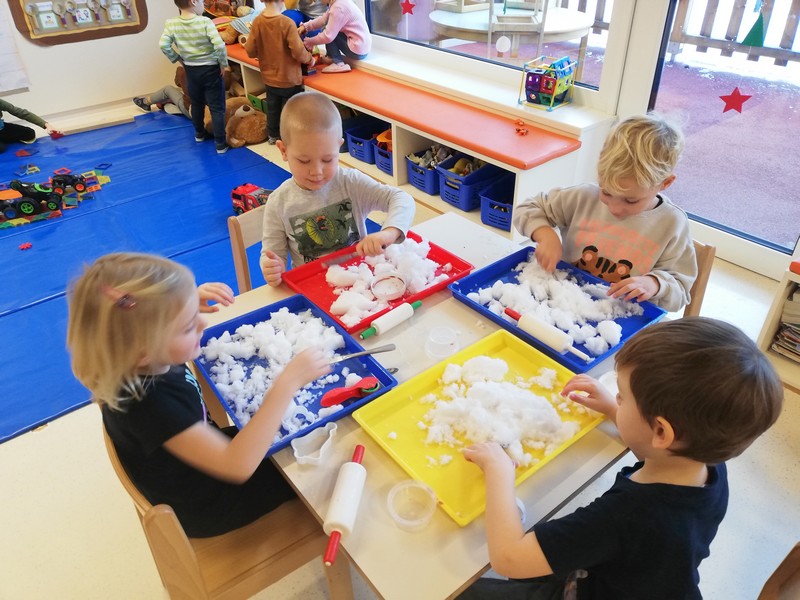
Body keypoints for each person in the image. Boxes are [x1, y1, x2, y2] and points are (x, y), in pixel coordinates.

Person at [459, 317, 783, 600]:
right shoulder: (706, 464)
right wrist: (616, 411)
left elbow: (509, 560)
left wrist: (500, 472)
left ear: (661, 431)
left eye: (623, 396)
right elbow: (654, 448)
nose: (616, 396)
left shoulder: (627, 515)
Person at [67, 252, 331, 537]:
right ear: (143, 351)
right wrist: (287, 384)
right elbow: (237, 465)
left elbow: (152, 325)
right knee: (322, 464)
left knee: (294, 436)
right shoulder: (151, 405)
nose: (202, 325)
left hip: (202, 461)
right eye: (188, 326)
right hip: (211, 504)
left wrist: (184, 304)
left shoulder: (142, 361)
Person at [512, 113, 696, 313]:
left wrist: (655, 284)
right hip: (562, 303)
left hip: (622, 316)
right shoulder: (583, 197)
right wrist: (546, 235)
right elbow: (527, 208)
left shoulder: (672, 224)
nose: (615, 208)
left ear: (665, 183)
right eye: (606, 192)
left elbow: (680, 292)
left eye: (631, 200)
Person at [260, 91, 415, 286]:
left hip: (360, 282)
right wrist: (272, 268)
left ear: (339, 147)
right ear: (283, 150)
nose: (316, 171)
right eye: (304, 161)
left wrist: (389, 233)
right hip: (313, 287)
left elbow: (402, 198)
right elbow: (272, 255)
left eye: (327, 159)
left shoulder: (350, 183)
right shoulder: (278, 203)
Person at [159, 0, 231, 154]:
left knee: (197, 103)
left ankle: (199, 134)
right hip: (211, 70)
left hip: (191, 70)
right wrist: (223, 64)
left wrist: (177, 58)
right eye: (202, 1)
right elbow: (219, 45)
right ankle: (220, 143)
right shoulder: (205, 22)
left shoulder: (172, 24)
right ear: (193, 2)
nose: (203, 4)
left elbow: (163, 45)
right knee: (217, 107)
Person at [244, 0, 315, 145]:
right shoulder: (287, 23)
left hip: (269, 77)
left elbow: (250, 51)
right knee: (291, 111)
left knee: (273, 109)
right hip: (289, 79)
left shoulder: (257, 22)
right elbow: (298, 52)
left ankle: (273, 135)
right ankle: (289, 138)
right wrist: (310, 58)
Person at [298, 0, 371, 73]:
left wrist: (310, 42)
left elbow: (328, 36)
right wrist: (305, 26)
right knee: (331, 28)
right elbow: (323, 19)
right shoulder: (338, 3)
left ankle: (338, 63)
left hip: (358, 49)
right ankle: (332, 57)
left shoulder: (338, 8)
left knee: (329, 31)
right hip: (362, 46)